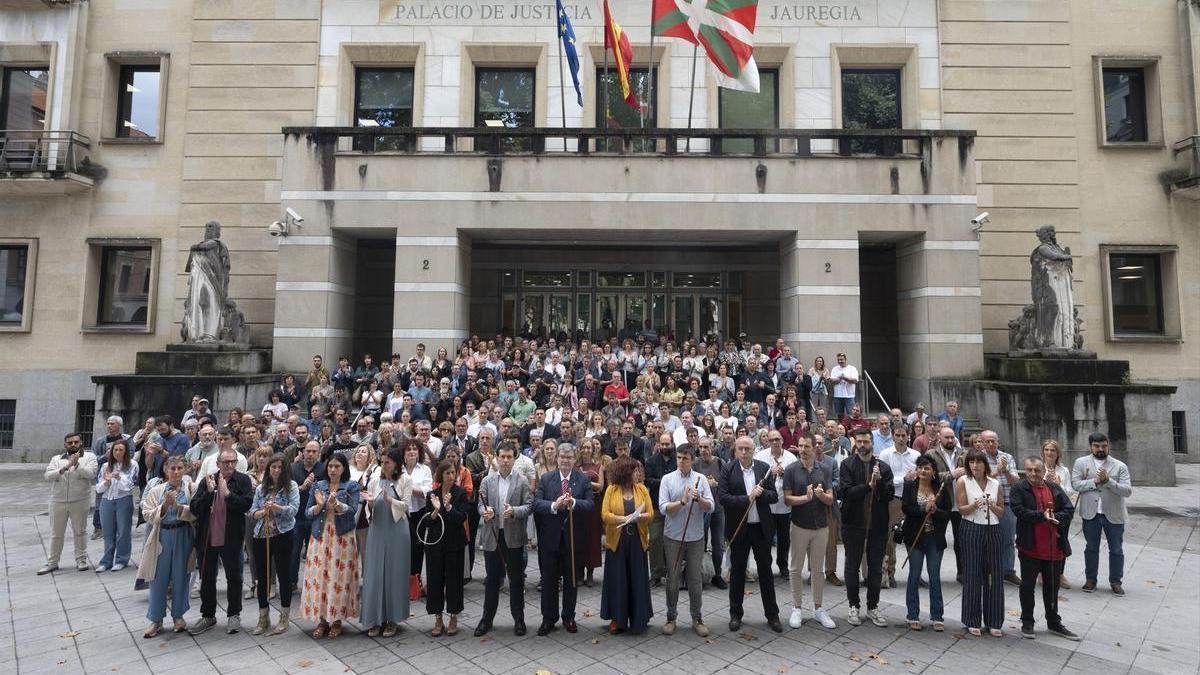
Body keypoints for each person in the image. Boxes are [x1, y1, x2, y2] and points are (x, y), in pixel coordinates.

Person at [188, 448, 254, 635]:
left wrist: (227, 495)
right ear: (218, 464)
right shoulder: (207, 480)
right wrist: (209, 493)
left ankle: (234, 614)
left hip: (231, 537)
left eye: (233, 461)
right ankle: (208, 615)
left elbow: (246, 505)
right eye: (226, 462)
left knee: (234, 576)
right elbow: (194, 508)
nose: (230, 465)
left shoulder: (243, 480)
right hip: (207, 537)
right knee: (207, 577)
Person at [1012, 456, 1079, 641]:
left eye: (1037, 470)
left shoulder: (1054, 488)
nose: (1033, 474)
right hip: (1030, 547)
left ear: (1044, 471)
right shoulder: (1019, 488)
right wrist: (1042, 516)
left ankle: (1053, 622)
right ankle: (1027, 621)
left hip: (1053, 548)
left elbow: (1069, 509)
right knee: (1027, 586)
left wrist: (1056, 517)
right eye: (1029, 470)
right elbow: (1018, 510)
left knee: (1052, 587)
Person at [719, 436, 781, 633]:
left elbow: (774, 496)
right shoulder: (728, 469)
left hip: (761, 529)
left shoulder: (764, 468)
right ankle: (735, 614)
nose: (744, 452)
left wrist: (761, 494)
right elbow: (723, 498)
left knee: (765, 573)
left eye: (748, 448)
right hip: (739, 528)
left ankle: (772, 615)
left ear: (754, 450)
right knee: (737, 572)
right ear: (735, 450)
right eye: (741, 449)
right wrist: (748, 498)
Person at [533, 443, 595, 636]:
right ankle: (548, 618)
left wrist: (574, 502)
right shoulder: (546, 478)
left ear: (574, 459)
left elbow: (590, 505)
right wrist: (554, 505)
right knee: (549, 580)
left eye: (569, 457)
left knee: (571, 580)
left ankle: (569, 616)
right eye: (562, 457)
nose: (565, 461)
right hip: (550, 538)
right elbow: (537, 503)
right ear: (556, 458)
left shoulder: (583, 479)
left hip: (573, 538)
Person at [474, 441, 533, 637]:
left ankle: (519, 620)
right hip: (493, 536)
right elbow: (480, 504)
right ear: (497, 458)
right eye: (502, 457)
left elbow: (529, 506)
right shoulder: (487, 480)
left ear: (514, 459)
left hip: (514, 537)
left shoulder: (522, 481)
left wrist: (514, 511)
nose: (506, 460)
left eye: (509, 457)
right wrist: (486, 512)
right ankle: (486, 620)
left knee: (516, 581)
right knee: (492, 580)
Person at [301, 452, 361, 638]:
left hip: (342, 536)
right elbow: (307, 513)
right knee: (320, 577)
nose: (333, 470)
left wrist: (337, 505)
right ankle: (322, 620)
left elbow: (353, 510)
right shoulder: (318, 485)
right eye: (330, 466)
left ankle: (336, 620)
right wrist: (319, 506)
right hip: (320, 535)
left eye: (337, 467)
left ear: (344, 469)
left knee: (338, 578)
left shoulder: (351, 486)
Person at [838, 427, 893, 628]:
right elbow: (846, 492)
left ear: (872, 443)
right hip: (853, 523)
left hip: (877, 525)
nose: (862, 445)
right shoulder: (847, 465)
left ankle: (873, 606)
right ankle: (853, 605)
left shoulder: (883, 467)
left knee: (875, 567)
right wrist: (869, 486)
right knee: (852, 566)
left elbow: (889, 495)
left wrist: (879, 482)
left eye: (866, 442)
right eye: (859, 442)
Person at [658, 443, 714, 637]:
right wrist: (682, 502)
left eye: (685, 458)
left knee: (695, 579)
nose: (681, 461)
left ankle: (697, 618)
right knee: (672, 578)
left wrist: (699, 500)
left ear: (692, 460)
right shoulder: (667, 479)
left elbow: (711, 507)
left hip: (695, 537)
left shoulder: (701, 479)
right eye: (679, 458)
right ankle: (671, 617)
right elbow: (663, 508)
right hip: (673, 536)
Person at [782, 436, 837, 630]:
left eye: (807, 446)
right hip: (799, 526)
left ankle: (818, 608)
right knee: (795, 569)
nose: (803, 449)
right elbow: (787, 500)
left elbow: (830, 499)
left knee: (818, 570)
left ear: (814, 448)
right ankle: (796, 607)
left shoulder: (825, 469)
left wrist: (821, 496)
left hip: (821, 526)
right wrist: (806, 498)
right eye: (800, 446)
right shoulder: (791, 469)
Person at [140, 456, 196, 637]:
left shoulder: (191, 488)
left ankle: (178, 616)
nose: (176, 472)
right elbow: (147, 513)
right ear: (165, 469)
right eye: (172, 468)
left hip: (183, 534)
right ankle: (156, 619)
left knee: (181, 575)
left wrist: (179, 507)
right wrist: (164, 505)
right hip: (162, 535)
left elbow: (197, 512)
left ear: (185, 469)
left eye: (180, 468)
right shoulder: (156, 490)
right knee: (158, 577)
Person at [361, 447, 413, 638]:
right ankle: (375, 619)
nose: (383, 465)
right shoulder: (375, 479)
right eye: (382, 462)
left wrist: (390, 500)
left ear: (396, 464)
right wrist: (370, 502)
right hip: (377, 528)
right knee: (374, 573)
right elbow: (370, 506)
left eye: (387, 462)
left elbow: (406, 505)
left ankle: (392, 619)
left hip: (397, 529)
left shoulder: (405, 480)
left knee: (394, 573)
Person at [600, 456, 656, 634]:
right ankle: (617, 618)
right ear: (625, 472)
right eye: (634, 470)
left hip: (637, 540)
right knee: (618, 580)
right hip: (618, 540)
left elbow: (651, 513)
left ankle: (639, 617)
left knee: (637, 579)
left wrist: (640, 517)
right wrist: (623, 519)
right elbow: (605, 515)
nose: (638, 473)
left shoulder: (642, 489)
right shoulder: (611, 489)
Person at [1071, 431, 1132, 596]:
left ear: (1108, 446)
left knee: (1116, 549)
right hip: (1090, 513)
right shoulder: (1081, 463)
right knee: (1091, 548)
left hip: (1114, 513)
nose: (1100, 449)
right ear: (1090, 446)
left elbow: (1127, 491)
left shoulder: (1120, 466)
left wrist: (1108, 481)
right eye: (1096, 446)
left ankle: (1116, 581)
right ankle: (1090, 579)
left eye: (1104, 446)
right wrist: (1095, 481)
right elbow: (1075, 484)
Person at [248, 454, 300, 635]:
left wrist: (277, 508)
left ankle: (284, 617)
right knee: (262, 577)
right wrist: (262, 512)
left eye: (280, 467)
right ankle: (263, 617)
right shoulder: (261, 488)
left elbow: (293, 510)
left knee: (284, 575)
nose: (276, 470)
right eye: (273, 467)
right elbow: (252, 511)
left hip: (283, 534)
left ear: (285, 469)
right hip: (261, 535)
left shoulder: (291, 486)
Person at [956, 448, 1006, 637]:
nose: (975, 466)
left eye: (978, 462)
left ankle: (994, 620)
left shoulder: (995, 483)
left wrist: (992, 505)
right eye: (971, 462)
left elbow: (1001, 512)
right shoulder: (963, 481)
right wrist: (974, 505)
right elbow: (962, 509)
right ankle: (972, 619)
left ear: (985, 465)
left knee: (994, 574)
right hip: (971, 528)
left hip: (993, 529)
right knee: (972, 573)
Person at [900, 455, 952, 632]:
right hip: (915, 536)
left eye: (927, 468)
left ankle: (937, 615)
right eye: (920, 467)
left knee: (934, 576)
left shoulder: (940, 488)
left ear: (933, 472)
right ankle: (912, 614)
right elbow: (906, 508)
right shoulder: (910, 486)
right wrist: (923, 508)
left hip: (934, 538)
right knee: (914, 574)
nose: (923, 471)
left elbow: (947, 513)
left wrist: (935, 511)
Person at [419, 459, 470, 637]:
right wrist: (435, 510)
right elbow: (427, 521)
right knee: (435, 580)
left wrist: (448, 507)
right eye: (447, 473)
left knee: (454, 580)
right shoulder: (432, 495)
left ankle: (454, 616)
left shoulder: (460, 493)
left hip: (454, 543)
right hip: (435, 543)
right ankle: (438, 618)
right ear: (441, 474)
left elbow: (462, 517)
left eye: (453, 473)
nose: (450, 476)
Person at [39, 433, 98, 575]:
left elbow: (91, 474)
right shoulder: (56, 459)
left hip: (80, 500)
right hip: (58, 500)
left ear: (81, 443)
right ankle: (53, 562)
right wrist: (65, 467)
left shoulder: (89, 457)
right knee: (56, 533)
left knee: (80, 531)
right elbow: (48, 476)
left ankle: (81, 559)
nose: (73, 445)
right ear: (65, 444)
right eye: (70, 442)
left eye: (76, 442)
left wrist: (77, 464)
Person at [980, 430, 1021, 586]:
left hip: (1007, 503)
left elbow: (1016, 481)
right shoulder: (978, 458)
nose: (991, 444)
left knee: (1008, 539)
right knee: (986, 540)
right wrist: (997, 471)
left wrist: (1006, 471)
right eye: (988, 441)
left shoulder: (1007, 457)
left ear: (998, 441)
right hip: (986, 504)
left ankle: (1008, 571)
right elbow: (980, 480)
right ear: (982, 443)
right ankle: (987, 571)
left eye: (994, 441)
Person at [880, 426, 919, 588]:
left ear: (908, 436)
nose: (901, 438)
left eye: (904, 435)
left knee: (914, 538)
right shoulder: (885, 454)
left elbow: (919, 476)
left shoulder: (915, 455)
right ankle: (890, 572)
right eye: (898, 435)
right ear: (893, 436)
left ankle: (916, 574)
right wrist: (904, 479)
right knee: (892, 538)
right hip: (894, 500)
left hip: (912, 500)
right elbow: (885, 480)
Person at [754, 430, 795, 579]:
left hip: (784, 505)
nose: (775, 442)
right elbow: (755, 478)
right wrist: (771, 473)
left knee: (784, 539)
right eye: (771, 440)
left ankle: (783, 566)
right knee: (766, 538)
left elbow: (795, 478)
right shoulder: (760, 457)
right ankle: (766, 566)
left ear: (782, 440)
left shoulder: (791, 457)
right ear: (767, 441)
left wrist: (785, 474)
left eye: (777, 439)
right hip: (767, 506)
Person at [289, 440, 326, 599]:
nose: (310, 454)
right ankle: (292, 582)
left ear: (319, 453)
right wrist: (303, 487)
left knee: (316, 552)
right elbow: (287, 491)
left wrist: (315, 488)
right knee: (294, 552)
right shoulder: (293, 468)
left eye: (314, 451)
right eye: (308, 451)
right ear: (303, 452)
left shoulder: (324, 468)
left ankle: (315, 582)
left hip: (316, 517)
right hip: (296, 517)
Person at [94, 439, 138, 572]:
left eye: (121, 450)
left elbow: (129, 486)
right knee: (107, 532)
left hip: (123, 499)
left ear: (126, 452)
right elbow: (98, 488)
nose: (118, 453)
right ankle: (106, 561)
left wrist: (119, 478)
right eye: (115, 450)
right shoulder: (105, 466)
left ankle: (121, 559)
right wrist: (106, 482)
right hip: (107, 500)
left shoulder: (132, 464)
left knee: (123, 531)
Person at [1040, 439, 1075, 589]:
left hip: (1060, 510)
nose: (1049, 453)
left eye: (1052, 450)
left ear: (1057, 453)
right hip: (1042, 508)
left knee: (1061, 541)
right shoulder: (1038, 467)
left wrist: (1058, 485)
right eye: (1047, 450)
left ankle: (1059, 574)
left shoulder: (1063, 470)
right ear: (1043, 452)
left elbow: (1069, 492)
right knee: (1042, 540)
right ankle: (1041, 573)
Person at [693, 437, 727, 589]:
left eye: (706, 447)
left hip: (718, 509)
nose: (703, 450)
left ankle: (717, 574)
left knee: (718, 544)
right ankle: (700, 574)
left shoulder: (720, 463)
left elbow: (727, 484)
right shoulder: (695, 464)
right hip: (701, 510)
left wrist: (716, 484)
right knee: (700, 543)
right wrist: (705, 484)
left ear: (712, 447)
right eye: (701, 447)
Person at [404, 439, 434, 601]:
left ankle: (416, 583)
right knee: (404, 548)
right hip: (402, 513)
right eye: (408, 449)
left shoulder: (425, 469)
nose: (411, 452)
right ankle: (403, 582)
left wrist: (409, 488)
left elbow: (427, 491)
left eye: (414, 449)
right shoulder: (399, 469)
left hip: (419, 513)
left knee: (418, 547)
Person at [826, 352, 858, 419]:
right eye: (838, 360)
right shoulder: (835, 369)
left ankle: (850, 425)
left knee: (851, 414)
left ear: (845, 359)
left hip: (849, 396)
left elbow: (855, 380)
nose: (840, 361)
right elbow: (831, 381)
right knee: (839, 415)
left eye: (841, 359)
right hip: (838, 396)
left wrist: (845, 378)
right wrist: (840, 378)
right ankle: (841, 425)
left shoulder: (852, 368)